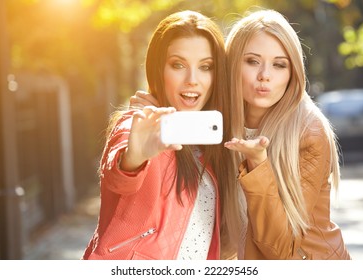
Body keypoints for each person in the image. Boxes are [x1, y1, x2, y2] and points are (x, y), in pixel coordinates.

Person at [82, 10, 244, 260]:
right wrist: (134, 159)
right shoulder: (139, 126)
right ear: (159, 69)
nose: (192, 80)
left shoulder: (209, 142)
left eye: (205, 67)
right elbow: (119, 175)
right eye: (178, 65)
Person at [223, 9, 351, 260]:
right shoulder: (219, 125)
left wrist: (258, 164)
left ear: (293, 73)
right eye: (252, 61)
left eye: (279, 65)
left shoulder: (308, 132)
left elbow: (280, 249)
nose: (265, 76)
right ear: (232, 64)